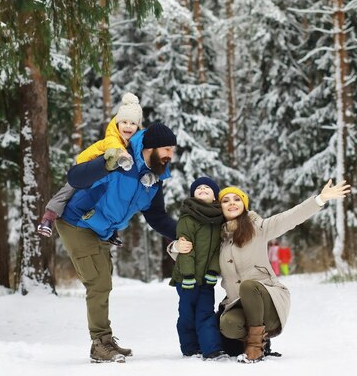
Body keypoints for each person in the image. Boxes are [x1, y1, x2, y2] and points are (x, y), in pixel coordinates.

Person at [54, 122, 179, 364]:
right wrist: (105, 163)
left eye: (172, 150)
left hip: (101, 230)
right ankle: (100, 344)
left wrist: (183, 232)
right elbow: (75, 176)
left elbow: (156, 216)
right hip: (76, 223)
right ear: (150, 148)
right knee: (99, 283)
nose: (169, 155)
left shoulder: (153, 179)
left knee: (104, 281)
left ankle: (106, 340)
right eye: (166, 149)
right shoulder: (119, 158)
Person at [217, 180, 350, 363]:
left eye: (236, 199)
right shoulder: (219, 240)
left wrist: (320, 199)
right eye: (226, 200)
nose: (232, 203)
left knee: (249, 286)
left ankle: (255, 348)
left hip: (268, 303)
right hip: (239, 305)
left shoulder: (259, 228)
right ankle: (259, 340)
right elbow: (195, 256)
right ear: (220, 208)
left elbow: (290, 217)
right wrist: (177, 247)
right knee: (228, 324)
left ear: (244, 205)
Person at [37, 93, 143, 242]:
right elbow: (115, 148)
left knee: (109, 196)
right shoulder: (112, 138)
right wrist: (124, 157)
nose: (128, 126)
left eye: (132, 124)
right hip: (86, 166)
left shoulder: (133, 144)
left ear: (138, 127)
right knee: (70, 190)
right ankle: (49, 217)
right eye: (124, 122)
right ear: (117, 123)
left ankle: (109, 231)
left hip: (104, 173)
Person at [169, 177, 228, 361]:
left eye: (207, 188)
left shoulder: (219, 220)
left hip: (206, 280)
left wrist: (212, 271)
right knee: (187, 314)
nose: (203, 189)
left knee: (206, 313)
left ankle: (211, 349)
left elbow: (218, 249)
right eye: (198, 188)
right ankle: (190, 347)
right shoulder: (188, 218)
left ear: (215, 196)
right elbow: (186, 248)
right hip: (185, 279)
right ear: (193, 195)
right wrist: (188, 274)